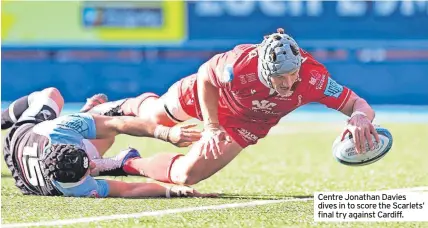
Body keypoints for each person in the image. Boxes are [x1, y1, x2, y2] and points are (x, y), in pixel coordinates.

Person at [85, 28, 380, 186]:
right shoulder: (238, 65)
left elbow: (357, 103)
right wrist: (211, 127)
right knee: (155, 115)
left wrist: (358, 117)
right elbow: (205, 76)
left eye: (293, 75)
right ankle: (111, 109)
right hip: (211, 96)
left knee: (186, 177)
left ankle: (126, 163)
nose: (289, 84)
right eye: (281, 77)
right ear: (265, 69)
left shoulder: (313, 78)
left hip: (246, 124)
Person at [2, 87, 213, 198]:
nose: (91, 165)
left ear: (72, 145)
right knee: (107, 137)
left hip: (21, 135)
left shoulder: (58, 129)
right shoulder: (75, 187)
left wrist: (166, 133)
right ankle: (91, 121)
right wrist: (172, 191)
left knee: (51, 95)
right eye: (87, 171)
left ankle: (87, 116)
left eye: (88, 164)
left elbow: (118, 123)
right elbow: (126, 191)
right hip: (30, 172)